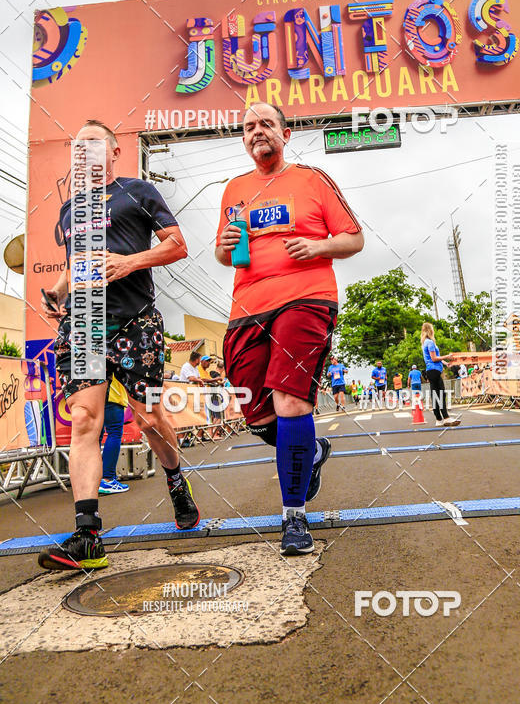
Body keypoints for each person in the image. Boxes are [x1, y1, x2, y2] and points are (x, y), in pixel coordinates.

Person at [38, 120, 199, 572]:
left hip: (135, 321)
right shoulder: (69, 209)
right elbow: (73, 266)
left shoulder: (139, 192)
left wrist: (131, 262)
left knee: (148, 417)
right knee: (86, 418)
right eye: (76, 145)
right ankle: (88, 536)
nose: (83, 150)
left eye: (91, 143)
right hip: (84, 324)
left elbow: (177, 246)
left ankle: (175, 479)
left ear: (113, 152)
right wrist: (58, 292)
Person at [215, 102, 364, 555]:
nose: (257, 131)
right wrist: (223, 247)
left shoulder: (312, 179)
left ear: (286, 132)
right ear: (243, 139)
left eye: (266, 124)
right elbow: (224, 255)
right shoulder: (234, 190)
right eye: (248, 126)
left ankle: (294, 518)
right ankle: (311, 451)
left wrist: (317, 244)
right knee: (257, 412)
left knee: (290, 400)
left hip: (307, 297)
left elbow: (354, 238)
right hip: (247, 306)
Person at [421, 322, 460, 426]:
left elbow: (435, 357)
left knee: (435, 395)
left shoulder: (425, 342)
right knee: (440, 394)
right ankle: (446, 417)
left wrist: (445, 362)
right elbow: (434, 359)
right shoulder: (430, 342)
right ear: (430, 330)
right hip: (434, 370)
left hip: (431, 370)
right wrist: (447, 356)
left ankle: (438, 419)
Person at [98, 376, 129, 495]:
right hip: (110, 391)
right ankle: (107, 479)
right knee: (114, 432)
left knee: (94, 436)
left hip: (88, 392)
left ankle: (93, 479)